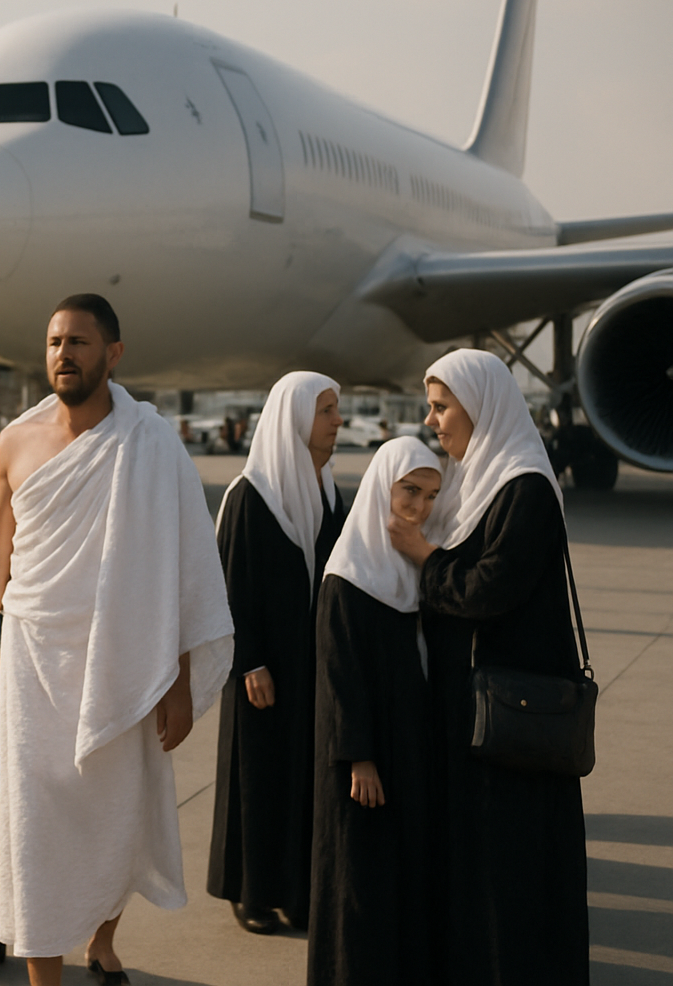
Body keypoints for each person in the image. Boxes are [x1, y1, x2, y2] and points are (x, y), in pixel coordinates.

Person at [0, 294, 235, 986]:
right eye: (53, 342)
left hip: (125, 658)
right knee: (36, 826)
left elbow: (186, 567)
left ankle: (102, 940)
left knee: (116, 819)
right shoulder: (14, 440)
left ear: (113, 354)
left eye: (77, 341)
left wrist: (183, 682)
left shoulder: (152, 443)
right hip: (35, 658)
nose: (63, 354)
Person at [388, 348, 588, 984]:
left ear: (480, 406)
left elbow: (486, 592)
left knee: (514, 862)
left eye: (443, 406)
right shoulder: (475, 482)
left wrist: (425, 558)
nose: (433, 419)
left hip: (513, 716)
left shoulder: (524, 485)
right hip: (476, 717)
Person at [207, 371, 346, 934]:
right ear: (295, 419)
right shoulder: (251, 496)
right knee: (258, 774)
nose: (338, 422)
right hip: (262, 670)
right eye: (328, 411)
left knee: (304, 775)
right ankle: (252, 891)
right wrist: (252, 662)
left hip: (312, 664)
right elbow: (231, 587)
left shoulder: (330, 492)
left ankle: (297, 887)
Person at [307, 437, 440, 986]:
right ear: (382, 488)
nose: (419, 506)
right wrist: (359, 758)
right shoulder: (347, 577)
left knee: (400, 875)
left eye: (431, 495)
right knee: (356, 877)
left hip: (407, 746)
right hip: (360, 760)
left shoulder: (412, 567)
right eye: (409, 490)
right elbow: (340, 679)